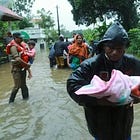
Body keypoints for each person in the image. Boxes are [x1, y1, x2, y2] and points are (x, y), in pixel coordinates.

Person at [67, 22, 140, 140]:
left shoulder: (132, 62)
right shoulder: (90, 64)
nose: (115, 52)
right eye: (111, 48)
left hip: (124, 120)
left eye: (119, 48)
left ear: (125, 48)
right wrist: (98, 101)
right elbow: (72, 85)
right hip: (99, 119)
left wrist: (137, 97)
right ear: (104, 46)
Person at [6, 32, 31, 103]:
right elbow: (17, 59)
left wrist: (27, 67)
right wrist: (26, 65)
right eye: (20, 38)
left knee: (24, 85)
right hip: (16, 69)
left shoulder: (21, 45)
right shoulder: (13, 46)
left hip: (23, 68)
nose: (22, 39)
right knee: (17, 86)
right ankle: (11, 102)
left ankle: (26, 100)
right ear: (15, 38)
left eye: (22, 37)